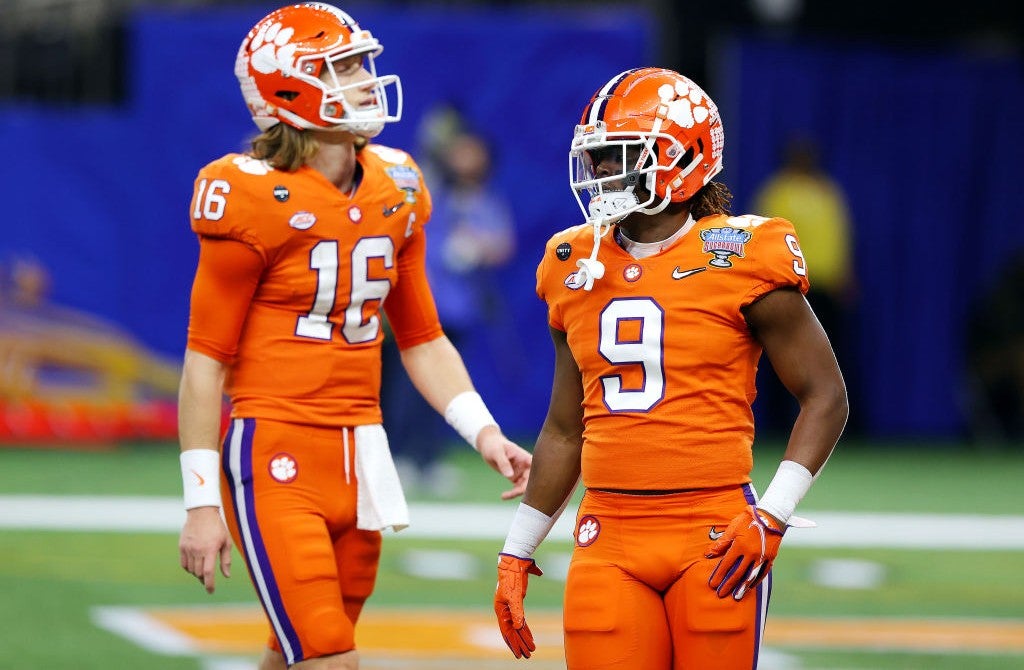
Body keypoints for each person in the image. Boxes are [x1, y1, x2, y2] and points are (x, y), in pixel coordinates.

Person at [175, 5, 532, 670]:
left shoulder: (397, 183)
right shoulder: (247, 195)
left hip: (363, 454)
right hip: (275, 451)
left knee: (297, 654)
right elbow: (204, 363)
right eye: (342, 67)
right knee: (330, 657)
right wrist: (200, 501)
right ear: (287, 87)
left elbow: (422, 339)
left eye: (362, 63)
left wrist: (484, 432)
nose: (366, 79)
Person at [492, 67, 848, 668]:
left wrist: (773, 514)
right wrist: (516, 550)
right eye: (598, 158)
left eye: (619, 156)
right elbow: (564, 429)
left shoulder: (741, 254)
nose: (603, 173)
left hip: (713, 530)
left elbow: (825, 395)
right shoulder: (571, 260)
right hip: (608, 531)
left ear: (682, 157)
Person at [381, 111, 517, 493]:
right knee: (406, 388)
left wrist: (477, 247)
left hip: (457, 311)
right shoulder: (432, 192)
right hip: (418, 307)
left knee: (445, 387)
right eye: (459, 152)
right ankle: (400, 455)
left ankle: (427, 459)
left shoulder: (482, 200)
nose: (466, 160)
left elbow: (501, 243)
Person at [751, 134, 857, 435]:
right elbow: (762, 241)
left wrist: (846, 275)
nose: (804, 160)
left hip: (826, 290)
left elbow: (839, 236)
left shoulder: (827, 192)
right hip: (790, 290)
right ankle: (780, 427)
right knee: (784, 362)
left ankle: (829, 427)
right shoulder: (778, 192)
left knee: (828, 360)